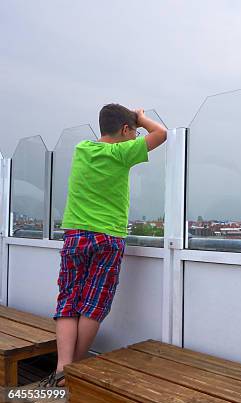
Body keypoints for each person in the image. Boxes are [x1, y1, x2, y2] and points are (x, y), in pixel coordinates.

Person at [39, 104, 167, 387]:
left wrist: (133, 123)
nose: (135, 138)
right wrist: (143, 119)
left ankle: (62, 367)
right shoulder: (121, 153)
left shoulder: (82, 150)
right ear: (125, 130)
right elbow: (161, 133)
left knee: (69, 300)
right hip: (107, 237)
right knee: (93, 304)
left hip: (75, 235)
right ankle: (74, 370)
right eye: (133, 133)